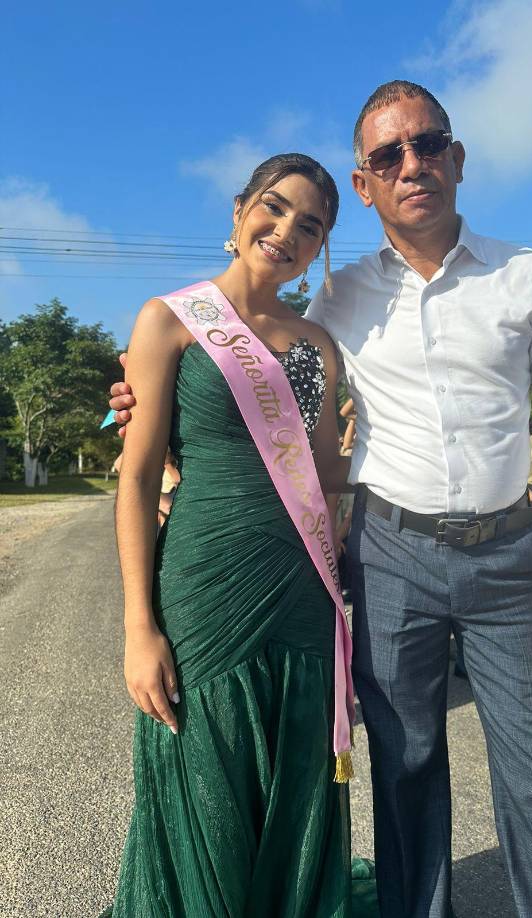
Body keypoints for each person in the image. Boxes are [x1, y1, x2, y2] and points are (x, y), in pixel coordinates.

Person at [111, 81, 532, 918]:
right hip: (387, 557)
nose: (411, 164)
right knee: (402, 772)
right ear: (365, 184)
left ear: (455, 158)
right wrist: (142, 405)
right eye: (388, 155)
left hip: (507, 558)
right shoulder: (338, 299)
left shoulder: (524, 275)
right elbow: (244, 401)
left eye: (427, 144)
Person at [103, 152, 377, 917]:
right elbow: (136, 478)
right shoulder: (169, 319)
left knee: (296, 766)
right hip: (204, 583)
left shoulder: (316, 343)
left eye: (310, 226)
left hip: (300, 589)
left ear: (319, 249)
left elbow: (324, 474)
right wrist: (137, 626)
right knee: (207, 766)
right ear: (238, 211)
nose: (286, 231)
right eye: (274, 207)